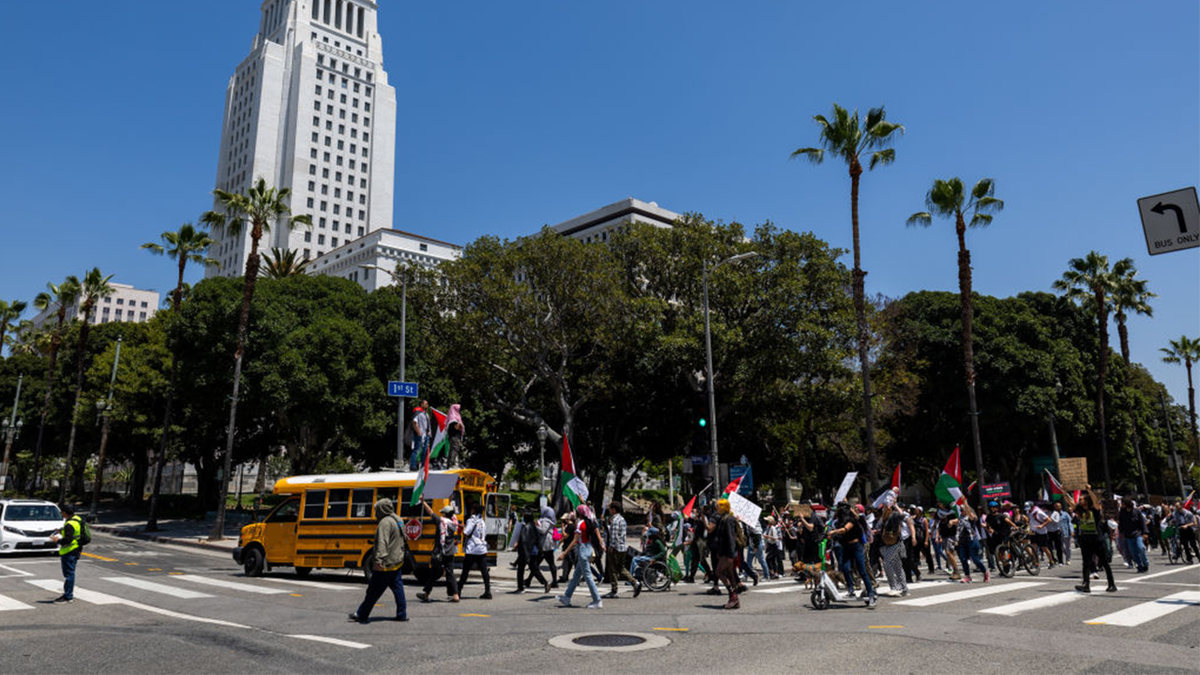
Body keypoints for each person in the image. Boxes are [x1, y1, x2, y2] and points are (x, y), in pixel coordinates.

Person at [349, 498, 408, 623]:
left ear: (381, 510)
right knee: (398, 589)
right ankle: (402, 614)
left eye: (376, 510)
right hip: (397, 561)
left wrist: (378, 560)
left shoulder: (385, 523)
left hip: (386, 564)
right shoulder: (398, 519)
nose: (375, 513)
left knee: (373, 591)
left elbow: (382, 542)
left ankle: (361, 614)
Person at [1067, 485, 1115, 593]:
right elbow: (1070, 502)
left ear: (1087, 500)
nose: (1079, 500)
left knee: (1104, 562)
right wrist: (1063, 491)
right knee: (1086, 563)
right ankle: (1086, 584)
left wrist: (1089, 490)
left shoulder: (1095, 510)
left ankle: (1111, 584)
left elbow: (1096, 501)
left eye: (1082, 499)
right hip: (1085, 540)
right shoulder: (1079, 510)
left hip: (1097, 539)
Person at [830, 502, 876, 608]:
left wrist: (834, 532)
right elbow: (840, 533)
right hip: (846, 547)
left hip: (857, 547)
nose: (838, 512)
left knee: (862, 571)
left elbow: (845, 529)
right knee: (846, 569)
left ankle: (871, 594)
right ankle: (851, 590)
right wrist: (831, 536)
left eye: (839, 510)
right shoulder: (839, 522)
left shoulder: (852, 520)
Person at [557, 505, 604, 609]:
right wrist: (601, 544)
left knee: (587, 576)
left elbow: (575, 541)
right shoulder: (590, 522)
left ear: (580, 514)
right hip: (588, 549)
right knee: (576, 575)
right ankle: (567, 597)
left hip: (582, 550)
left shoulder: (580, 524)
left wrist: (564, 553)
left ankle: (597, 600)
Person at [417, 503, 461, 603]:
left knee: (433, 573)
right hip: (450, 552)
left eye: (442, 513)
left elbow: (430, 512)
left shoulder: (441, 521)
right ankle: (455, 595)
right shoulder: (453, 523)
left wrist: (423, 502)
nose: (441, 515)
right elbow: (452, 513)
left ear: (445, 514)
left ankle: (426, 594)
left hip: (440, 552)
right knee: (450, 573)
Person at [708, 498, 742, 610]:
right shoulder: (723, 518)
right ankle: (734, 599)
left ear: (722, 507)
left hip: (728, 552)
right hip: (724, 551)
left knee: (718, 572)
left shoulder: (728, 519)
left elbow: (730, 537)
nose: (716, 508)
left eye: (718, 506)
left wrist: (730, 553)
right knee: (730, 574)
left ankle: (733, 596)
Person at [49, 504, 85, 604]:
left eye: (62, 512)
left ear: (65, 512)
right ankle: (68, 595)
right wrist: (61, 530)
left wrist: (57, 540)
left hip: (69, 550)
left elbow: (68, 540)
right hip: (76, 548)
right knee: (70, 572)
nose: (61, 513)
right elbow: (74, 533)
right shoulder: (77, 519)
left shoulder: (69, 524)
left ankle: (68, 596)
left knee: (69, 574)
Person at [603, 503, 641, 598]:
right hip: (623, 547)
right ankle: (635, 583)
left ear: (614, 510)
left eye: (611, 509)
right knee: (621, 568)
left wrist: (611, 547)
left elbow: (614, 535)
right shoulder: (622, 519)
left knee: (613, 569)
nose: (610, 511)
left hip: (616, 548)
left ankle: (614, 590)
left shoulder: (615, 520)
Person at [457, 504, 492, 598]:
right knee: (484, 571)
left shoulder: (471, 520)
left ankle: (458, 591)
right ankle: (488, 591)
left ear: (473, 510)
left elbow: (466, 533)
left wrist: (462, 526)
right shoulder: (482, 521)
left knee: (465, 571)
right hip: (482, 549)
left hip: (472, 549)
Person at [514, 510, 551, 594]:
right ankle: (545, 583)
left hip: (525, 552)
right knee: (534, 569)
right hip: (533, 551)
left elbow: (523, 541)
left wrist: (518, 548)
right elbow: (537, 540)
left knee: (521, 570)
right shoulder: (534, 527)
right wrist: (540, 550)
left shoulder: (525, 527)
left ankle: (520, 587)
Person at [1117, 498, 1149, 574]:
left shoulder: (1136, 511)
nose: (1121, 505)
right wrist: (1121, 532)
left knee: (1141, 548)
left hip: (1137, 533)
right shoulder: (1122, 512)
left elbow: (1143, 522)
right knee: (1133, 552)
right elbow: (1120, 523)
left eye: (1122, 503)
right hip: (1128, 535)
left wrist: (1145, 533)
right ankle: (1139, 566)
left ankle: (1145, 563)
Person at [1028, 502, 1057, 569]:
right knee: (1033, 548)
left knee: (1044, 548)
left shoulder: (1039, 512)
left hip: (1041, 532)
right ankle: (1035, 562)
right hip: (1033, 531)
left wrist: (1042, 525)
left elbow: (1049, 520)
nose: (1028, 510)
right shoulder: (1029, 512)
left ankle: (1051, 561)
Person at [1171, 499, 1199, 563]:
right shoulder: (1175, 514)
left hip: (1189, 529)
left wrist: (1187, 525)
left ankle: (1198, 556)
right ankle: (1189, 559)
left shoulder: (1188, 513)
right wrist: (1172, 523)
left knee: (1193, 544)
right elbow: (1174, 520)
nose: (1176, 507)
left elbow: (1195, 523)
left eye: (1177, 506)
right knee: (1185, 545)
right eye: (1175, 506)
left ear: (1181, 506)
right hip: (1181, 530)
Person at [410, 403, 430, 471]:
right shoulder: (418, 412)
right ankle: (413, 466)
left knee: (424, 450)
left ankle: (422, 465)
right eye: (425, 404)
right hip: (420, 434)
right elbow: (414, 422)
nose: (427, 405)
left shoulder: (426, 414)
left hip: (426, 435)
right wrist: (418, 432)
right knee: (416, 449)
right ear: (421, 405)